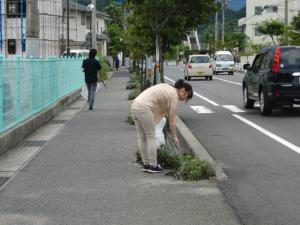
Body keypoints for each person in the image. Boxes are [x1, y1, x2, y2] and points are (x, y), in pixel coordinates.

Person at [130, 79, 193, 173]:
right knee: (151, 137)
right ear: (183, 90)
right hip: (144, 108)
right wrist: (175, 137)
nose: (184, 99)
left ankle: (146, 164)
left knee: (142, 138)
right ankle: (153, 166)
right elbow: (171, 121)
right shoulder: (174, 95)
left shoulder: (167, 87)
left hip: (135, 105)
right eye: (186, 96)